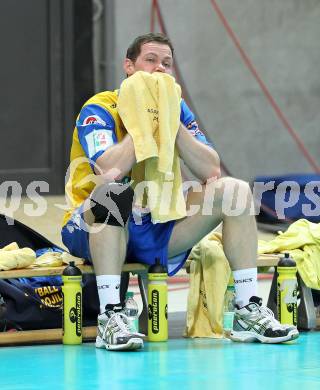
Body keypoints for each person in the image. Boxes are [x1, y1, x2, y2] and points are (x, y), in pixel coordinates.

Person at [61, 32, 299, 351]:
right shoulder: (101, 107)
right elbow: (108, 171)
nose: (160, 69)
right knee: (113, 193)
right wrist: (142, 126)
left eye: (167, 64)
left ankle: (247, 309)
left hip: (155, 226)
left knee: (235, 191)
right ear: (128, 67)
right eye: (151, 61)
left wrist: (171, 125)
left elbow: (210, 170)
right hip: (91, 227)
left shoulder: (176, 109)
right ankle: (109, 317)